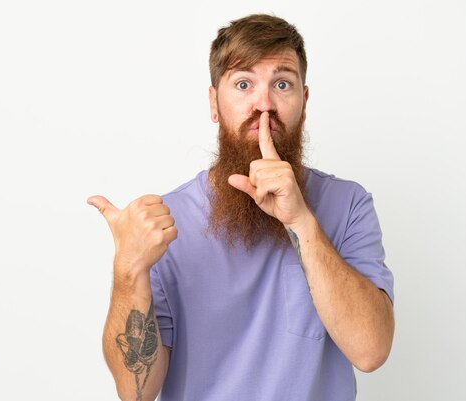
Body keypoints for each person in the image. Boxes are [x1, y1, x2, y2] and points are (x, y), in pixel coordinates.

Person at [88, 14, 395, 401]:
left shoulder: (348, 205)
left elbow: (370, 351)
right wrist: (129, 269)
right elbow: (137, 392)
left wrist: (301, 221)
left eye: (282, 83)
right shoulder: (165, 224)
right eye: (244, 84)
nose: (263, 105)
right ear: (214, 103)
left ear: (304, 99)